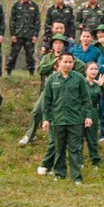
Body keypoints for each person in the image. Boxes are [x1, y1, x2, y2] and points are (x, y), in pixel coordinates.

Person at [23, 33, 85, 150]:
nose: (58, 46)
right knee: (36, 111)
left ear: (64, 45)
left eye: (60, 43)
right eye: (55, 43)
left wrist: (71, 73)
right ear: (52, 45)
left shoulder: (67, 57)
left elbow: (83, 67)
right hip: (49, 89)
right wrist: (54, 63)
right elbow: (41, 70)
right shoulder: (47, 57)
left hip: (65, 91)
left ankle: (61, 140)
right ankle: (29, 135)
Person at [41, 52, 93, 184]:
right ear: (59, 62)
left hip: (75, 120)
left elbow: (86, 100)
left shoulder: (79, 78)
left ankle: (76, 176)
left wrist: (88, 116)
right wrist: (46, 119)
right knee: (59, 148)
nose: (68, 64)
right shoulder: (52, 79)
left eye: (70, 62)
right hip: (58, 119)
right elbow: (46, 101)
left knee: (75, 149)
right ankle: (60, 173)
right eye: (65, 62)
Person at [7, 0, 40, 75]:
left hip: (30, 35)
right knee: (13, 54)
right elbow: (12, 20)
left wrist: (35, 35)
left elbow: (37, 21)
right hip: (18, 35)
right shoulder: (16, 5)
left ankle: (31, 73)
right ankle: (9, 71)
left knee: (30, 55)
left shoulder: (34, 6)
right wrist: (12, 34)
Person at [83, 61, 104, 168]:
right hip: (80, 112)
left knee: (92, 138)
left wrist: (101, 86)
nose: (93, 71)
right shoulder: (81, 83)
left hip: (93, 111)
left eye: (95, 69)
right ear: (86, 70)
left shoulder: (97, 84)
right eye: (91, 69)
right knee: (78, 138)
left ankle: (95, 161)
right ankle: (79, 161)